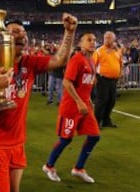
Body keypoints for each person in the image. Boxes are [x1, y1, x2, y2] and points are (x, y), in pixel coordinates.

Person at [0, 13, 77, 192]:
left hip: (17, 142)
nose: (21, 35)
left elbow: (60, 60)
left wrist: (69, 32)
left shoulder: (29, 62)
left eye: (23, 32)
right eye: (15, 32)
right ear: (1, 38)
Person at [42, 32, 100, 184]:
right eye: (89, 40)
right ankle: (49, 166)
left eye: (94, 40)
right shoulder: (76, 59)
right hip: (71, 107)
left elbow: (85, 83)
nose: (93, 42)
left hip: (85, 105)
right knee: (65, 140)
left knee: (94, 136)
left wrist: (87, 100)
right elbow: (66, 82)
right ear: (81, 43)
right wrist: (80, 101)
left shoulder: (91, 60)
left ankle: (79, 168)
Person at [93, 31, 122, 128]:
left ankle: (106, 120)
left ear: (114, 39)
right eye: (106, 38)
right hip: (102, 79)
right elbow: (93, 65)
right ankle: (96, 122)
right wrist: (93, 77)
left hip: (113, 80)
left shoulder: (117, 51)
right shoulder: (99, 51)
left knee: (112, 100)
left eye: (110, 38)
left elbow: (120, 62)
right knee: (102, 100)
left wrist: (119, 73)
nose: (108, 40)